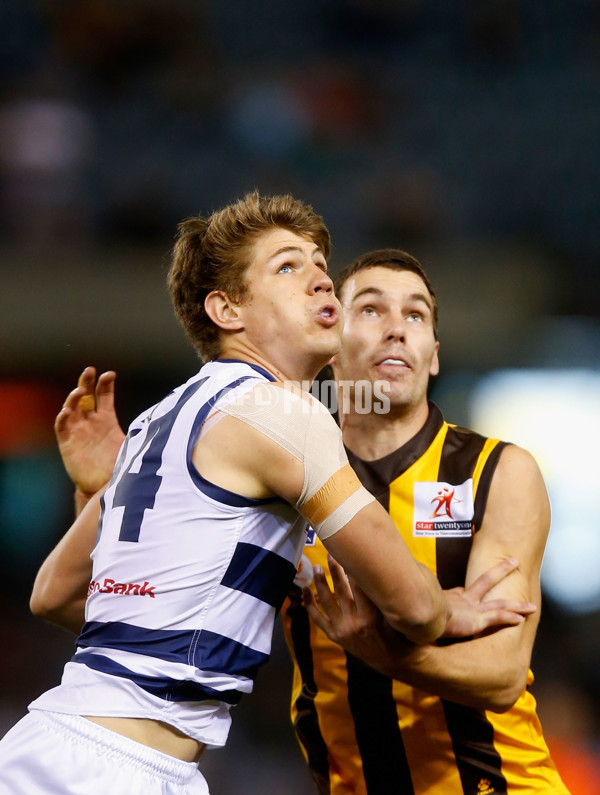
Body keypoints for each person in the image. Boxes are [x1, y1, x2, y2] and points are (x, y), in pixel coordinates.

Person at [0, 198, 532, 795]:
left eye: (319, 264)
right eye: (287, 267)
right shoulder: (284, 413)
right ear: (227, 310)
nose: (319, 277)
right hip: (116, 769)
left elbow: (55, 594)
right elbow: (415, 608)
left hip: (61, 744)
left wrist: (97, 489)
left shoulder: (156, 420)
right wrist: (451, 609)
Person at [284, 249, 570, 794]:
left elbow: (503, 674)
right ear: (330, 347)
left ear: (433, 356)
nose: (397, 329)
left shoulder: (497, 472)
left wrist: (382, 653)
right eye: (371, 310)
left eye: (415, 316)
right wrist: (94, 492)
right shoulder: (288, 483)